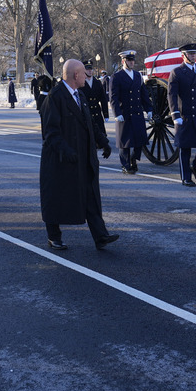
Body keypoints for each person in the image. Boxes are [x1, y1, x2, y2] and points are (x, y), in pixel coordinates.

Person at [39, 58, 119, 251]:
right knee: (56, 197)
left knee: (90, 195)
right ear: (76, 75)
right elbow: (50, 132)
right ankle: (54, 236)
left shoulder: (79, 95)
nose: (87, 76)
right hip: (61, 161)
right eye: (84, 73)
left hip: (84, 157)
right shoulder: (55, 97)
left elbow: (89, 123)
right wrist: (66, 152)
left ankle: (100, 235)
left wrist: (102, 141)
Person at [167, 43, 196, 187]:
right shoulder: (177, 72)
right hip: (185, 115)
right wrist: (175, 115)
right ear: (184, 55)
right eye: (190, 54)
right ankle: (186, 177)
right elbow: (172, 95)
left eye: (194, 53)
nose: (193, 56)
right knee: (185, 148)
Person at [110, 50, 153, 174]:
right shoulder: (117, 77)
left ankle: (134, 159)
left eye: (133, 60)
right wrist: (117, 113)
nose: (132, 62)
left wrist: (149, 109)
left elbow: (143, 94)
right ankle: (126, 164)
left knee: (139, 140)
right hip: (125, 113)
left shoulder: (138, 76)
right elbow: (113, 97)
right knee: (125, 142)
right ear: (123, 61)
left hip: (137, 112)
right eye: (129, 60)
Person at [79, 58, 110, 144]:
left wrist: (106, 114)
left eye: (90, 69)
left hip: (97, 113)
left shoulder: (97, 83)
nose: (89, 71)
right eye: (87, 69)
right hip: (86, 113)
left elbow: (103, 99)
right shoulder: (80, 83)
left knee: (100, 139)